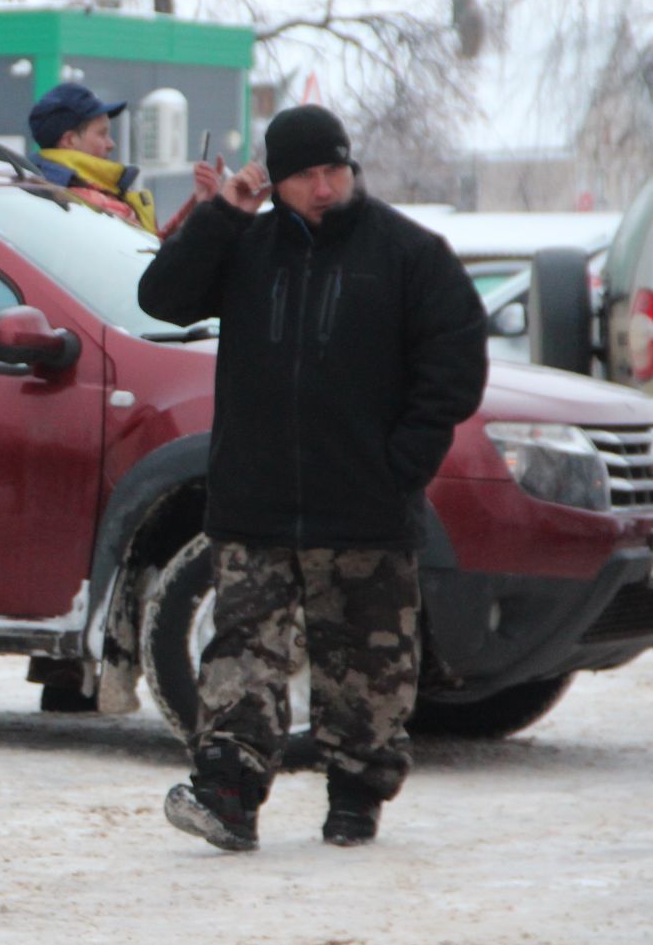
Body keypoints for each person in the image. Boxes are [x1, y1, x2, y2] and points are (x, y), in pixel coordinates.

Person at [137, 103, 488, 851]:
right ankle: (227, 793)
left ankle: (356, 799)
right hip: (254, 502)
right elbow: (161, 298)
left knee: (367, 665)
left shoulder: (408, 253)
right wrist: (220, 217)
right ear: (273, 182)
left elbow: (454, 367)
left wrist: (400, 468)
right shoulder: (245, 244)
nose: (323, 187)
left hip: (365, 507)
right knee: (240, 656)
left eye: (333, 170)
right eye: (304, 176)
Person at [23, 81, 217, 711]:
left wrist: (198, 210)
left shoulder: (106, 195)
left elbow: (150, 267)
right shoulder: (66, 197)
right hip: (97, 371)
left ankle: (70, 680)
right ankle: (71, 671)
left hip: (120, 357)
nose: (110, 140)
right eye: (100, 131)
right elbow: (122, 283)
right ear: (71, 139)